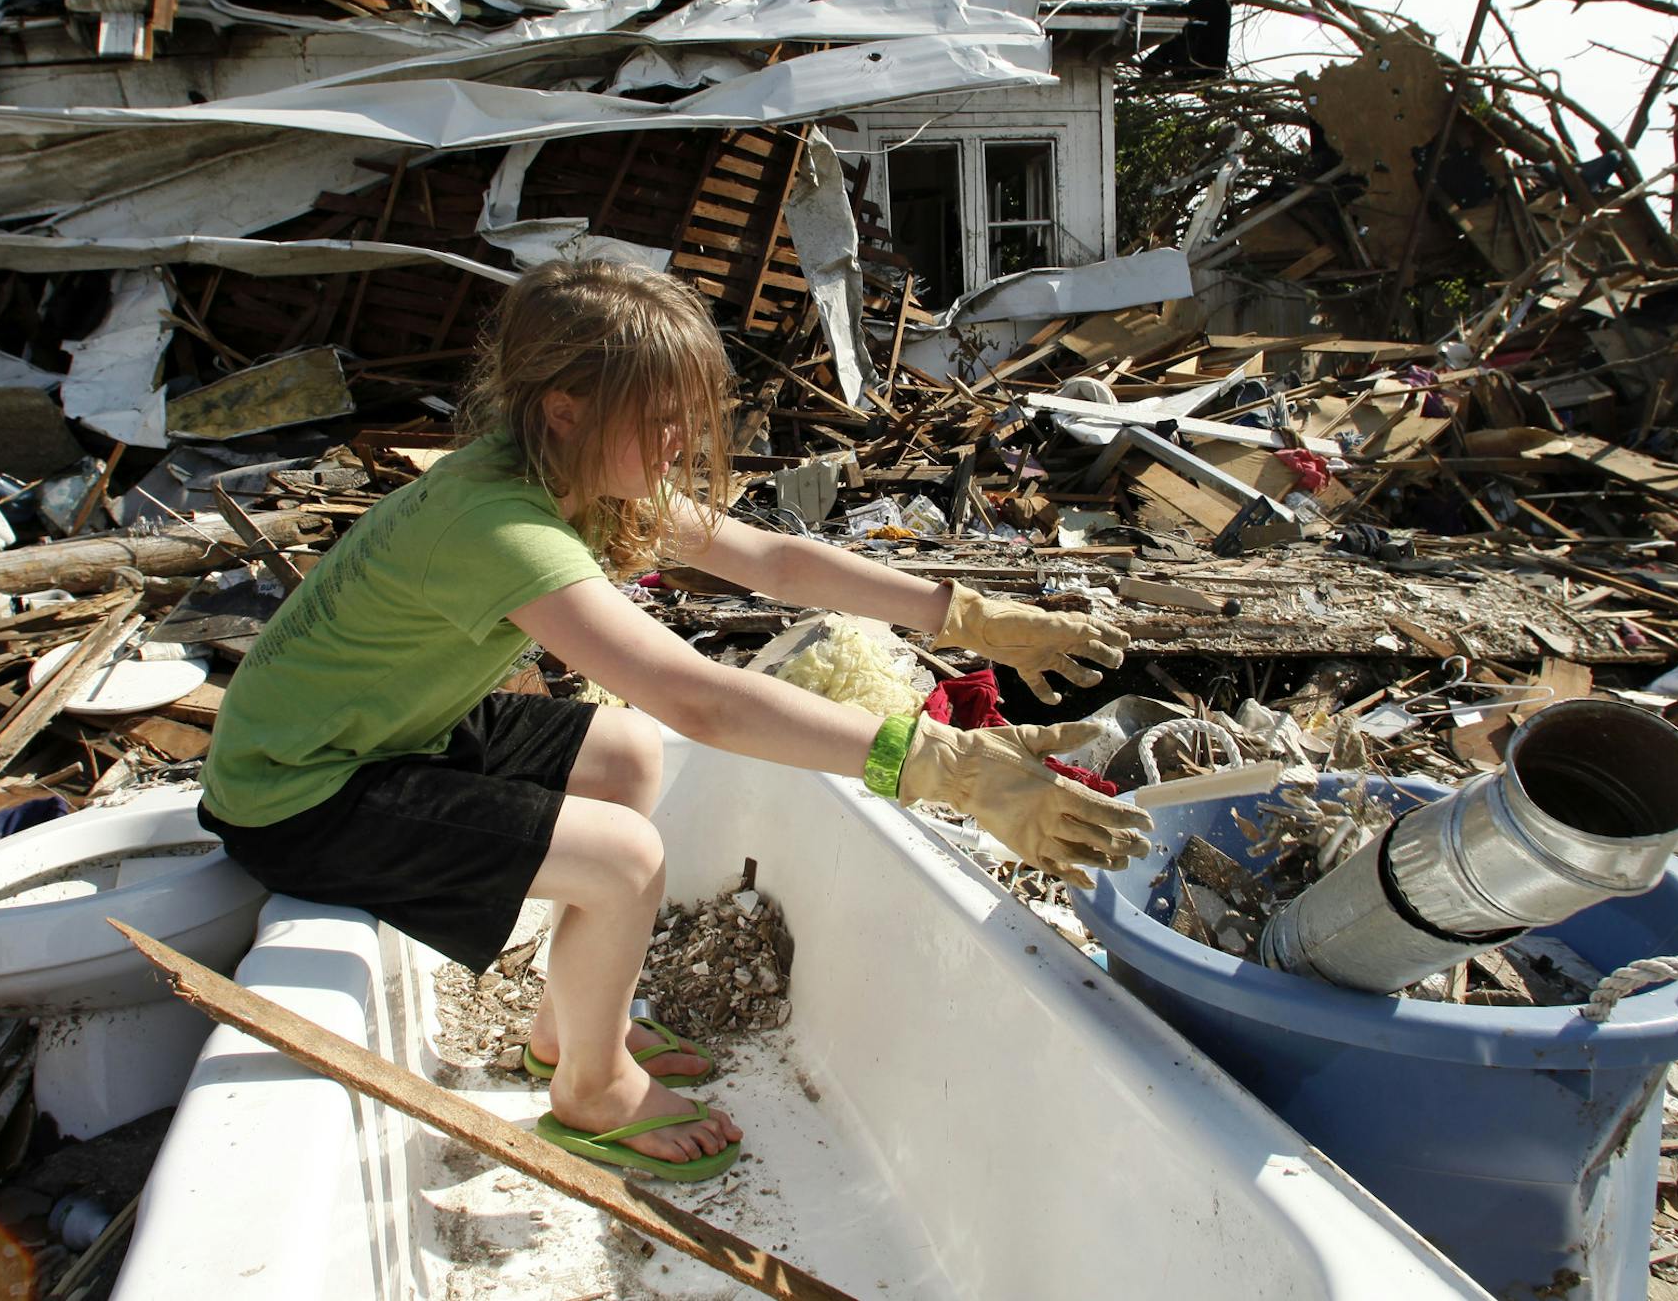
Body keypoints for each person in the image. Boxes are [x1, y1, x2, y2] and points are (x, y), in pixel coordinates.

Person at [197, 258, 1151, 1183]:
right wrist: (944, 764)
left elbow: (773, 563)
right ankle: (594, 1091)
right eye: (660, 424)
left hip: (376, 735)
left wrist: (968, 615)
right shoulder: (499, 526)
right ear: (565, 409)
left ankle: (564, 1030)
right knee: (624, 861)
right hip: (296, 794)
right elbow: (701, 698)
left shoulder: (559, 471)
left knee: (623, 753)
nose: (679, 448)